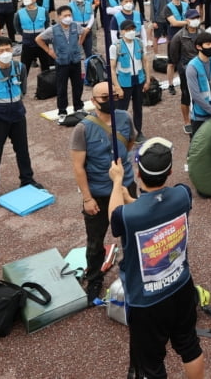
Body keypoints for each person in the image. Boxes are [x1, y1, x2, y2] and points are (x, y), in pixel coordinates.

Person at [109, 139, 205, 379]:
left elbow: (114, 217)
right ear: (170, 171)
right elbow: (155, 208)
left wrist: (117, 181)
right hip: (181, 286)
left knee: (151, 365)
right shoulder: (183, 194)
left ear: (138, 173)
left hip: (147, 302)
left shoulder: (127, 216)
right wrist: (132, 201)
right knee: (189, 346)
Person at [71, 81, 135, 305]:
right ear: (93, 101)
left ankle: (134, 272)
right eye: (104, 98)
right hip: (98, 193)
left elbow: (130, 143)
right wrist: (87, 198)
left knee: (131, 234)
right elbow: (78, 166)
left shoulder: (125, 118)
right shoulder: (83, 128)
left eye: (112, 96)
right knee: (95, 241)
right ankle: (94, 279)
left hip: (126, 187)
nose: (110, 101)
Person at [0, 36, 40, 210]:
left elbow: (23, 90)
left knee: (23, 150)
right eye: (1, 51)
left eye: (8, 49)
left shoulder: (20, 68)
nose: (6, 53)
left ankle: (27, 180)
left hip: (18, 114)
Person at [36, 4, 89, 118]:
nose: (68, 17)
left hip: (75, 60)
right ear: (59, 17)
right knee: (61, 88)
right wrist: (49, 51)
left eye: (70, 15)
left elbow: (84, 31)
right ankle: (62, 111)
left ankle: (78, 106)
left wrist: (79, 43)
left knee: (77, 85)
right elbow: (39, 39)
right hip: (61, 62)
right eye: (65, 15)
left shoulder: (75, 26)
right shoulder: (53, 30)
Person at [166, 9, 202, 135]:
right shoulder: (179, 36)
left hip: (201, 68)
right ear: (186, 20)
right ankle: (187, 121)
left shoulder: (201, 33)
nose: (195, 20)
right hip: (186, 69)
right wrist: (182, 66)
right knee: (186, 95)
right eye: (192, 18)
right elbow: (174, 56)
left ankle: (200, 117)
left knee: (202, 93)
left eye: (197, 17)